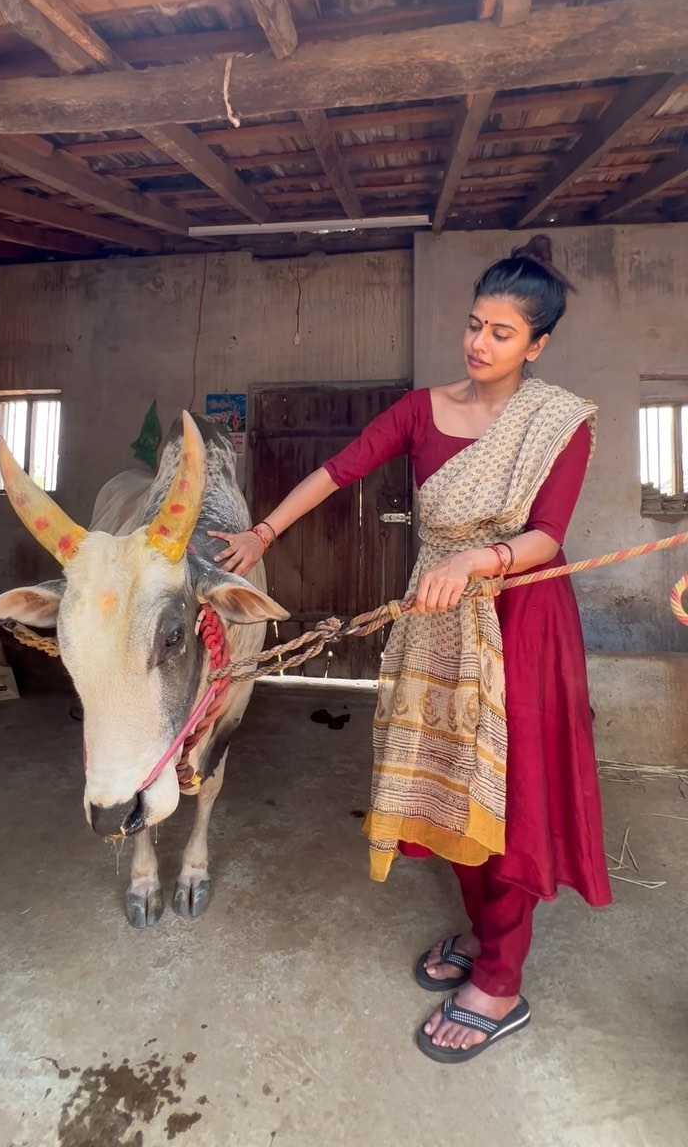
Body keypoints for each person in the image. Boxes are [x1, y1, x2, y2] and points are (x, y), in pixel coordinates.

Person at [209, 235, 611, 1065]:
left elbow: (547, 536)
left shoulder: (558, 421)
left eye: (502, 332)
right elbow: (338, 469)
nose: (479, 341)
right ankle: (484, 931)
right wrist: (264, 531)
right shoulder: (423, 409)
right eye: (474, 324)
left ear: (537, 346)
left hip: (519, 621)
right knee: (440, 784)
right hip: (436, 620)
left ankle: (501, 979)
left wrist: (475, 559)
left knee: (505, 793)